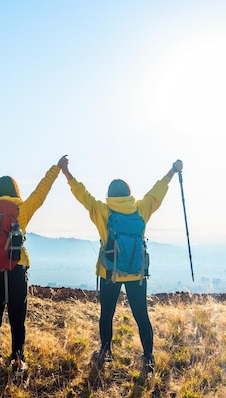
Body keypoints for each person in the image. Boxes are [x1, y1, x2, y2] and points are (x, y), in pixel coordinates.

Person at [58, 156, 183, 374]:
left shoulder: (102, 211)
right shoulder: (140, 209)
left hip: (110, 273)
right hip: (136, 273)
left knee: (107, 313)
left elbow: (82, 194)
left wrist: (66, 172)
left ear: (109, 195)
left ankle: (105, 353)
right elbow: (157, 192)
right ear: (129, 193)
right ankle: (148, 358)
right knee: (141, 315)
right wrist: (172, 171)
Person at [0, 148, 65, 374]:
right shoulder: (22, 209)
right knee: (17, 316)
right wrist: (56, 168)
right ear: (15, 191)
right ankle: (18, 362)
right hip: (17, 267)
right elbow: (42, 191)